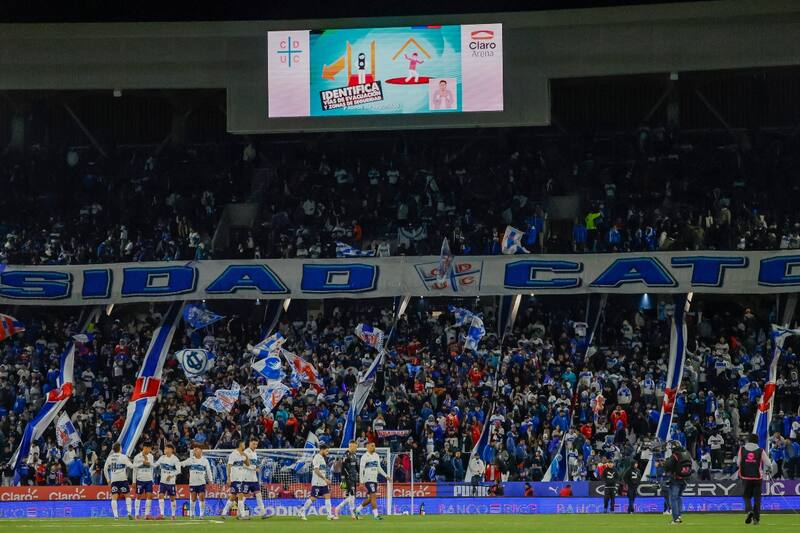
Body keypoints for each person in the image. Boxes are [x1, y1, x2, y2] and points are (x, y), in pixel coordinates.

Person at [738, 434, 773, 525]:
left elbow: (738, 463)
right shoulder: (760, 451)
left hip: (745, 477)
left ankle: (749, 511)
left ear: (748, 440)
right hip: (757, 477)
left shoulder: (742, 450)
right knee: (757, 498)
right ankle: (756, 519)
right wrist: (769, 470)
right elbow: (768, 463)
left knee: (746, 496)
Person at [299, 443, 336, 520]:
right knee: (313, 498)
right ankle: (302, 511)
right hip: (317, 483)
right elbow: (316, 470)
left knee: (327, 496)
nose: (327, 452)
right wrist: (324, 479)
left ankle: (329, 515)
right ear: (322, 450)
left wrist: (325, 479)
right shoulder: (316, 457)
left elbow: (322, 471)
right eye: (326, 451)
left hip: (323, 483)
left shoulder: (322, 458)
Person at [355, 441, 390, 520]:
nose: (374, 447)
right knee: (374, 496)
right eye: (372, 446)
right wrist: (361, 482)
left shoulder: (376, 455)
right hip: (368, 479)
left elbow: (379, 468)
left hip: (374, 479)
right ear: (367, 447)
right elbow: (361, 470)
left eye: (374, 446)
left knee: (371, 498)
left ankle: (357, 510)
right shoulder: (364, 457)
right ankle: (376, 516)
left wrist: (386, 476)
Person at [180, 445, 214, 519]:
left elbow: (209, 471)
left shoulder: (205, 461)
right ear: (194, 452)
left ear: (201, 452)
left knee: (202, 497)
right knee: (193, 498)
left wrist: (210, 480)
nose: (197, 452)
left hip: (201, 482)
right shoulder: (191, 460)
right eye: (196, 450)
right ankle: (192, 514)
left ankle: (202, 515)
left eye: (199, 450)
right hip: (193, 482)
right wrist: (177, 463)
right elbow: (183, 463)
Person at [663, 440, 693, 524]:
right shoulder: (687, 453)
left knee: (673, 498)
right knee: (679, 497)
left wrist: (665, 464)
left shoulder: (675, 455)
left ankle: (676, 519)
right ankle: (679, 515)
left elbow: (668, 466)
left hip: (676, 479)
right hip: (685, 479)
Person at [103, 442, 134, 520]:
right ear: (120, 448)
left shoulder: (110, 457)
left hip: (114, 480)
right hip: (123, 479)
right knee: (127, 495)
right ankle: (129, 513)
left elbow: (105, 469)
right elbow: (131, 466)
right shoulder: (124, 457)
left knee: (114, 497)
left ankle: (116, 516)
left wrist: (108, 480)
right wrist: (137, 464)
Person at [222, 440, 248, 519]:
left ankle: (223, 513)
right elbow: (229, 466)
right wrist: (229, 478)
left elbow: (248, 464)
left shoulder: (242, 455)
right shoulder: (233, 454)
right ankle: (243, 515)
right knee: (240, 495)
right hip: (235, 478)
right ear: (240, 445)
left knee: (233, 496)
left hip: (240, 479)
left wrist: (246, 456)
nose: (244, 445)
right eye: (244, 444)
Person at [154, 443, 181, 520]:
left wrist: (171, 475)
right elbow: (155, 464)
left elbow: (179, 470)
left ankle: (173, 515)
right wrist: (148, 463)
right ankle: (162, 514)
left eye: (166, 449)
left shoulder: (175, 459)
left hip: (171, 482)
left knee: (172, 498)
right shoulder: (162, 457)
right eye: (164, 449)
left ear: (171, 450)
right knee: (161, 496)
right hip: (162, 482)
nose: (164, 450)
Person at [334, 440, 359, 519]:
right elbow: (342, 467)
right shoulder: (346, 455)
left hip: (354, 478)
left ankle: (337, 509)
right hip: (348, 478)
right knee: (351, 495)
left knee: (352, 496)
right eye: (355, 447)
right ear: (350, 446)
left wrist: (359, 475)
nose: (356, 448)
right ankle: (353, 514)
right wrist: (343, 478)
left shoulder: (354, 455)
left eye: (356, 447)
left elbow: (356, 467)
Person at [243, 438, 267, 518]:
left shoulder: (255, 453)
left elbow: (253, 464)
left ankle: (263, 513)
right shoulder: (246, 452)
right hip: (246, 478)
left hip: (254, 479)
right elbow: (243, 465)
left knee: (259, 495)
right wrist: (254, 469)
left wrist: (257, 467)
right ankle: (240, 513)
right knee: (243, 497)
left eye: (256, 444)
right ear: (250, 443)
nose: (255, 446)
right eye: (253, 444)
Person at [132, 441, 155, 519]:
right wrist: (134, 481)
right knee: (138, 496)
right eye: (148, 448)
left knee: (149, 496)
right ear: (144, 448)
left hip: (149, 480)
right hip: (140, 480)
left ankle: (147, 515)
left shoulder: (151, 456)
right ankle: (136, 514)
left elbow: (152, 466)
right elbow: (134, 469)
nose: (149, 450)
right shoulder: (137, 457)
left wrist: (152, 479)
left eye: (150, 449)